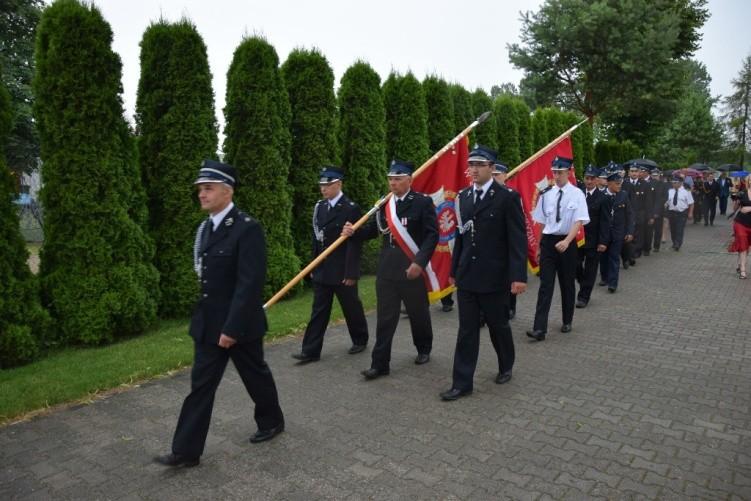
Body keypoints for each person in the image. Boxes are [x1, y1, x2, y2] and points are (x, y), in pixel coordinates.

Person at [155, 160, 284, 468]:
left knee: (256, 377)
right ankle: (186, 451)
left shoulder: (247, 228)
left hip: (240, 325)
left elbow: (249, 284)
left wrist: (232, 328)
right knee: (200, 386)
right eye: (200, 189)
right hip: (208, 325)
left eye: (208, 188)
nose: (202, 194)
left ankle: (272, 421)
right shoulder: (206, 229)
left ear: (228, 191)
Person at [440, 147, 527, 401]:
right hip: (468, 275)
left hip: (494, 277)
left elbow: (517, 240)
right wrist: (455, 270)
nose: (473, 169)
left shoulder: (507, 197)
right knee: (466, 330)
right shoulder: (464, 197)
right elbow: (461, 237)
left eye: (479, 164)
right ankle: (462, 382)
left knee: (498, 325)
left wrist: (518, 276)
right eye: (471, 164)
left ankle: (506, 363)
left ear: (491, 167)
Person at [342, 160, 438, 380]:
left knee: (418, 313)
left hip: (411, 270)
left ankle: (424, 348)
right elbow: (372, 232)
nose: (393, 183)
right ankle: (379, 364)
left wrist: (419, 263)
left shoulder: (422, 203)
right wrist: (353, 232)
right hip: (386, 271)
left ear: (409, 180)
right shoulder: (385, 204)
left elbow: (432, 235)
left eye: (398, 179)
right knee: (385, 319)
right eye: (390, 179)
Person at [292, 166, 369, 363]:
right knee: (319, 311)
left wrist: (351, 272)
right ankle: (310, 351)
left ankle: (360, 339)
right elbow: (317, 240)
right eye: (321, 185)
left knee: (351, 307)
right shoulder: (320, 207)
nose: (323, 189)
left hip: (342, 269)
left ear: (338, 184)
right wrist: (313, 265)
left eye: (327, 185)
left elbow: (356, 241)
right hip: (323, 269)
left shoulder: (350, 207)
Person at [526, 156, 589, 342]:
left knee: (567, 283)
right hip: (548, 243)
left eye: (560, 172)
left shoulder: (577, 194)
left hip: (566, 243)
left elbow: (579, 221)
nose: (557, 175)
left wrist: (568, 241)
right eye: (554, 172)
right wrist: (539, 246)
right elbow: (542, 222)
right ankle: (539, 328)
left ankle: (567, 319)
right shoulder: (546, 194)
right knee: (545, 285)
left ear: (568, 172)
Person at [576, 165, 607, 308]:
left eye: (591, 179)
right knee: (575, 265)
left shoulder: (603, 198)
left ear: (597, 180)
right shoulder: (577, 194)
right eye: (587, 178)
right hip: (577, 237)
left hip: (593, 240)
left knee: (591, 269)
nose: (588, 181)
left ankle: (584, 296)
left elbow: (605, 222)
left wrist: (602, 241)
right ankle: (584, 282)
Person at [599, 171, 634, 293]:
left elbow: (629, 215)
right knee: (603, 257)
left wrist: (629, 231)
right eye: (617, 183)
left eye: (620, 183)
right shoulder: (601, 195)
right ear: (609, 183)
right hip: (604, 233)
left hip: (618, 232)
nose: (619, 186)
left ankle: (613, 283)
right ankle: (604, 277)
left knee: (614, 257)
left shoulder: (623, 195)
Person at [492, 161, 519, 319]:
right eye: (493, 175)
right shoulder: (486, 194)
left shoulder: (511, 195)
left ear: (505, 176)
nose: (494, 178)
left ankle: (510, 306)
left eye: (497, 175)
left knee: (509, 277)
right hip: (490, 244)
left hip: (506, 243)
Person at [728, 173, 751, 279]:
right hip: (741, 223)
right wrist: (736, 199)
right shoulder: (743, 193)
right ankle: (743, 270)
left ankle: (739, 264)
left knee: (747, 247)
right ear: (748, 181)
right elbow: (735, 208)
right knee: (742, 245)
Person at [666, 175, 694, 251]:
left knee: (679, 229)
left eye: (675, 182)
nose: (673, 184)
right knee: (673, 229)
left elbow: (691, 203)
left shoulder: (686, 191)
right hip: (672, 212)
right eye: (673, 182)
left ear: (681, 183)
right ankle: (674, 242)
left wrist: (690, 213)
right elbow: (668, 201)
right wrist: (665, 205)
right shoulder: (670, 191)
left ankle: (678, 244)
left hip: (682, 213)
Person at [649, 168, 669, 252]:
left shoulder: (663, 185)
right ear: (651, 176)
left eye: (656, 176)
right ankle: (647, 246)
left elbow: (664, 198)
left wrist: (657, 211)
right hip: (649, 211)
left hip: (659, 210)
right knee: (649, 230)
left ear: (659, 176)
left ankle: (656, 246)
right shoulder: (648, 184)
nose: (654, 177)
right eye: (653, 176)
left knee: (658, 230)